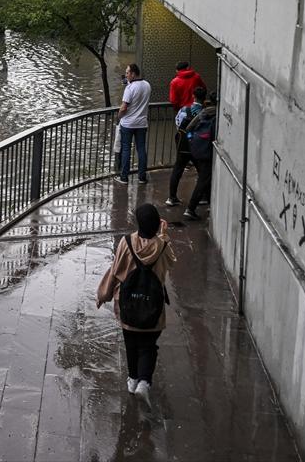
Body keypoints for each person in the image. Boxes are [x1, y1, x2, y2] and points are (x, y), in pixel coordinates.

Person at [96, 203, 177, 403]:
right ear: (157, 225)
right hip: (153, 307)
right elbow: (172, 261)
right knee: (149, 346)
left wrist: (103, 294)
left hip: (128, 306)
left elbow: (115, 271)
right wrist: (164, 236)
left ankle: (133, 379)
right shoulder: (163, 246)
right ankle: (144, 382)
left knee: (131, 343)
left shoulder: (126, 243)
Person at [166, 86, 207, 208]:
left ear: (193, 96)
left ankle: (172, 197)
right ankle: (203, 197)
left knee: (177, 170)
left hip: (183, 145)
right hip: (198, 147)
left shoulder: (184, 109)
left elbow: (178, 122)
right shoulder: (205, 113)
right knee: (202, 172)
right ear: (204, 99)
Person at [183, 92, 218, 221]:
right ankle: (191, 208)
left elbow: (188, 128)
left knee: (205, 177)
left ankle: (209, 202)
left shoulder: (204, 112)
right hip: (208, 151)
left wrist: (191, 140)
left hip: (197, 149)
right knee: (203, 179)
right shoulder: (219, 115)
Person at [115, 63, 151, 185]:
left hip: (128, 124)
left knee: (126, 149)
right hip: (142, 123)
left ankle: (124, 177)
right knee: (141, 149)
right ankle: (142, 177)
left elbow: (124, 107)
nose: (126, 75)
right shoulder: (147, 85)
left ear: (133, 74)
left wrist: (119, 117)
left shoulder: (129, 89)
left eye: (127, 73)